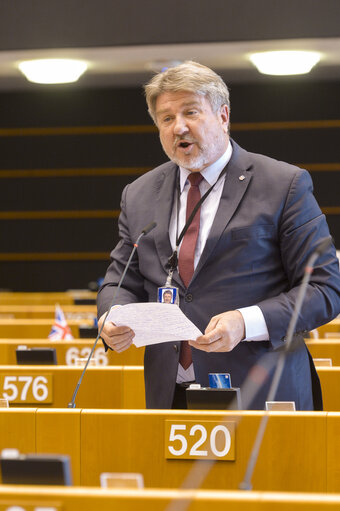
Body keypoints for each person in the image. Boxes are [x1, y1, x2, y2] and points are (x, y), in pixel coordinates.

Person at [97, 61, 340, 410]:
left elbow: (325, 289)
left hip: (262, 393)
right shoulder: (138, 194)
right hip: (170, 396)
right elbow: (119, 282)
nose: (179, 126)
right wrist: (112, 315)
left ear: (223, 116)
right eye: (166, 119)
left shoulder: (282, 184)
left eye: (191, 112)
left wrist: (246, 321)